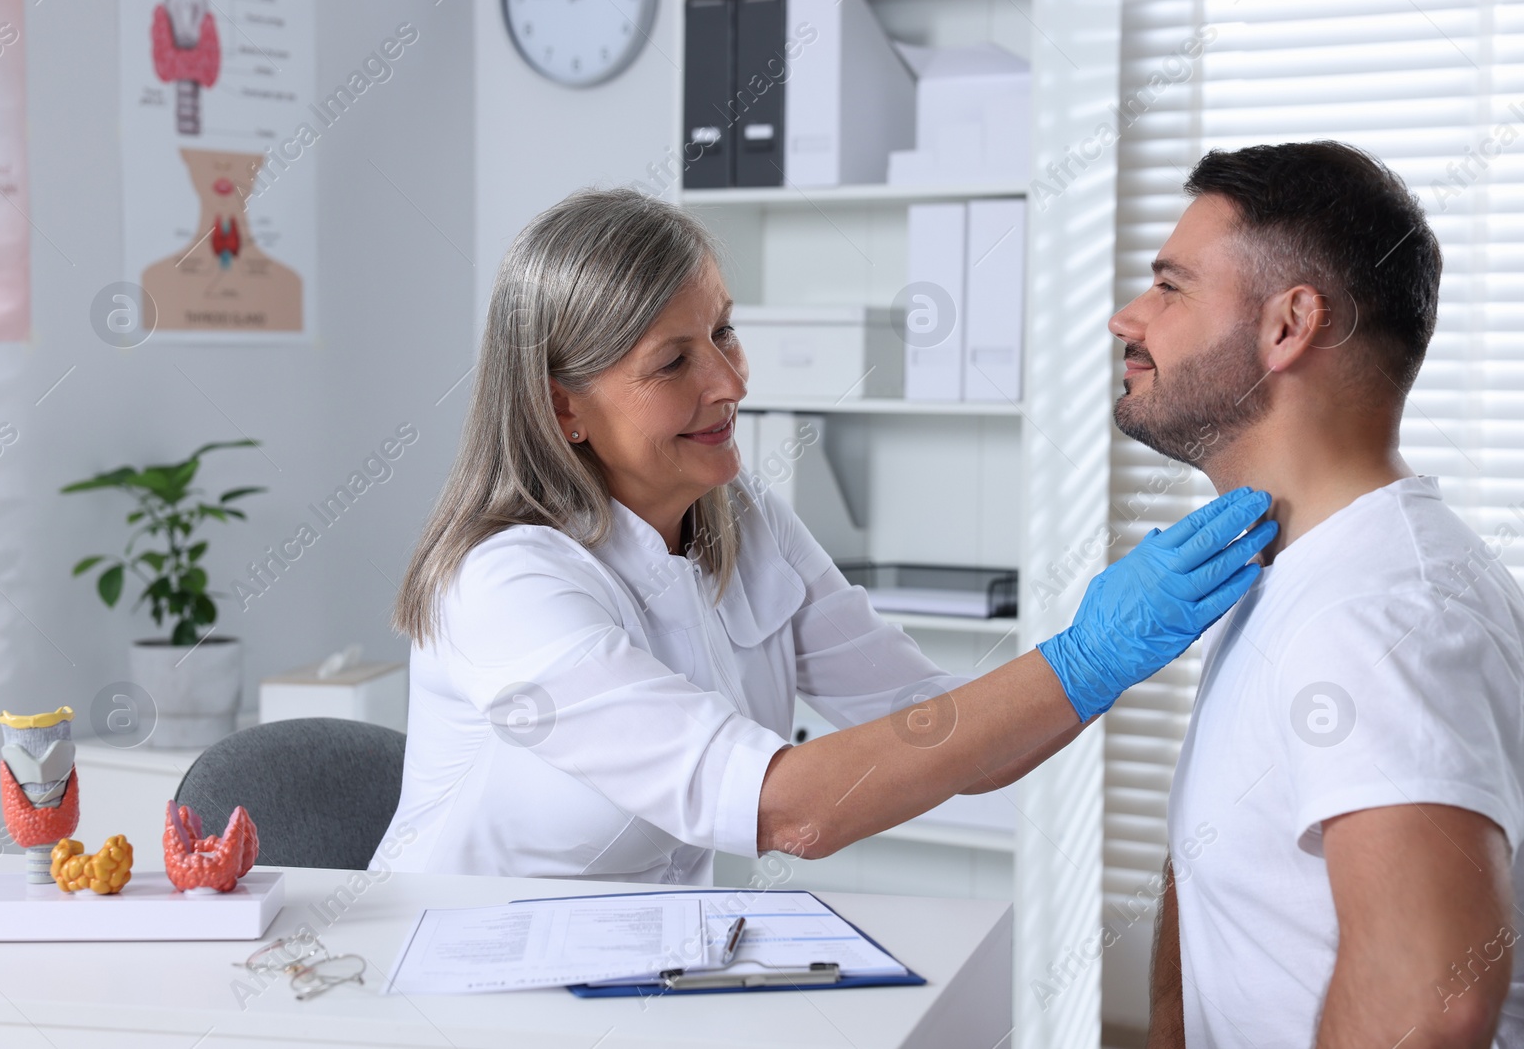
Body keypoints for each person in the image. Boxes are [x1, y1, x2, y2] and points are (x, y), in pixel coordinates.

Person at [379, 185, 1274, 884]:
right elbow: (786, 811)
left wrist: (1099, 664)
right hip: (456, 984)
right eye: (673, 362)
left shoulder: (740, 521)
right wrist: (1082, 658)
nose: (730, 381)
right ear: (562, 405)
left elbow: (941, 736)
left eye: (723, 330)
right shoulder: (505, 586)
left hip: (628, 972)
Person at [1118, 142, 1524, 1047]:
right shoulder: (1296, 567)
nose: (1126, 318)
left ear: (1288, 324)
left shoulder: (1382, 614)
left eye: (1170, 287)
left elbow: (1430, 998)